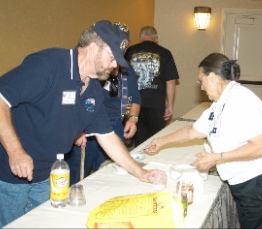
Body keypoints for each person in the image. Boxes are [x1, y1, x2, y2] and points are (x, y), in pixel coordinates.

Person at [0, 20, 164, 227]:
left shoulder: (93, 89)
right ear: (93, 48)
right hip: (10, 174)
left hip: (48, 174)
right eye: (112, 58)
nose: (115, 66)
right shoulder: (49, 64)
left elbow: (107, 136)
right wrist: (15, 151)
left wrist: (140, 172)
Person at [145, 53, 262, 228]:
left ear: (213, 77)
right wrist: (161, 140)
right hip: (252, 185)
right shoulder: (219, 104)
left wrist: (217, 158)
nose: (201, 86)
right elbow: (192, 132)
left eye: (200, 79)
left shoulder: (241, 100)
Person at [66, 23, 141, 185]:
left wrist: (133, 118)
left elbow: (135, 97)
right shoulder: (90, 67)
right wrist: (77, 128)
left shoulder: (125, 70)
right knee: (78, 175)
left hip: (113, 124)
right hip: (85, 125)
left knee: (109, 172)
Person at [125, 26, 179, 146]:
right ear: (156, 38)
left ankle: (139, 160)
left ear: (140, 38)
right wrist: (169, 105)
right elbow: (170, 81)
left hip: (134, 102)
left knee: (138, 137)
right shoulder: (165, 53)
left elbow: (122, 77)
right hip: (156, 102)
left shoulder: (130, 52)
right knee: (156, 138)